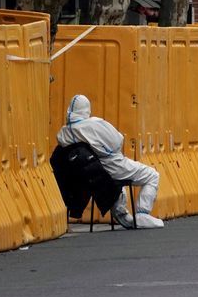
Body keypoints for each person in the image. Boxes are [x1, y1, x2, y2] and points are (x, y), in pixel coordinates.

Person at [58, 94, 164, 228]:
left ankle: (122, 213)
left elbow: (62, 143)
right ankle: (142, 213)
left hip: (95, 172)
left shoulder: (65, 132)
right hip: (114, 165)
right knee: (152, 175)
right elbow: (118, 140)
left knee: (115, 180)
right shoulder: (96, 123)